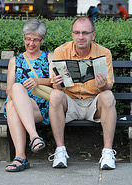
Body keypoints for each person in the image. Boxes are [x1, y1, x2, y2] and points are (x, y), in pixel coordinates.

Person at [49, 16, 117, 170]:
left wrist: (103, 85)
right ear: (72, 34)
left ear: (93, 35)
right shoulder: (60, 51)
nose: (81, 37)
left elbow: (109, 85)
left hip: (94, 103)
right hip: (71, 102)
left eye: (85, 33)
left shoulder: (104, 52)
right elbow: (56, 87)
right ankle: (60, 151)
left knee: (108, 96)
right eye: (77, 32)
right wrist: (58, 84)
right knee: (55, 95)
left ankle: (107, 153)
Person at [5, 19, 53, 172]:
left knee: (13, 103)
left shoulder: (49, 58)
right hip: (18, 104)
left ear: (42, 40)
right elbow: (8, 90)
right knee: (16, 90)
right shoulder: (15, 60)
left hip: (40, 107)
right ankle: (34, 138)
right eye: (28, 39)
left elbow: (55, 83)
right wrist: (21, 93)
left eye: (36, 40)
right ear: (24, 38)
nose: (31, 43)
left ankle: (20, 157)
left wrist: (37, 81)